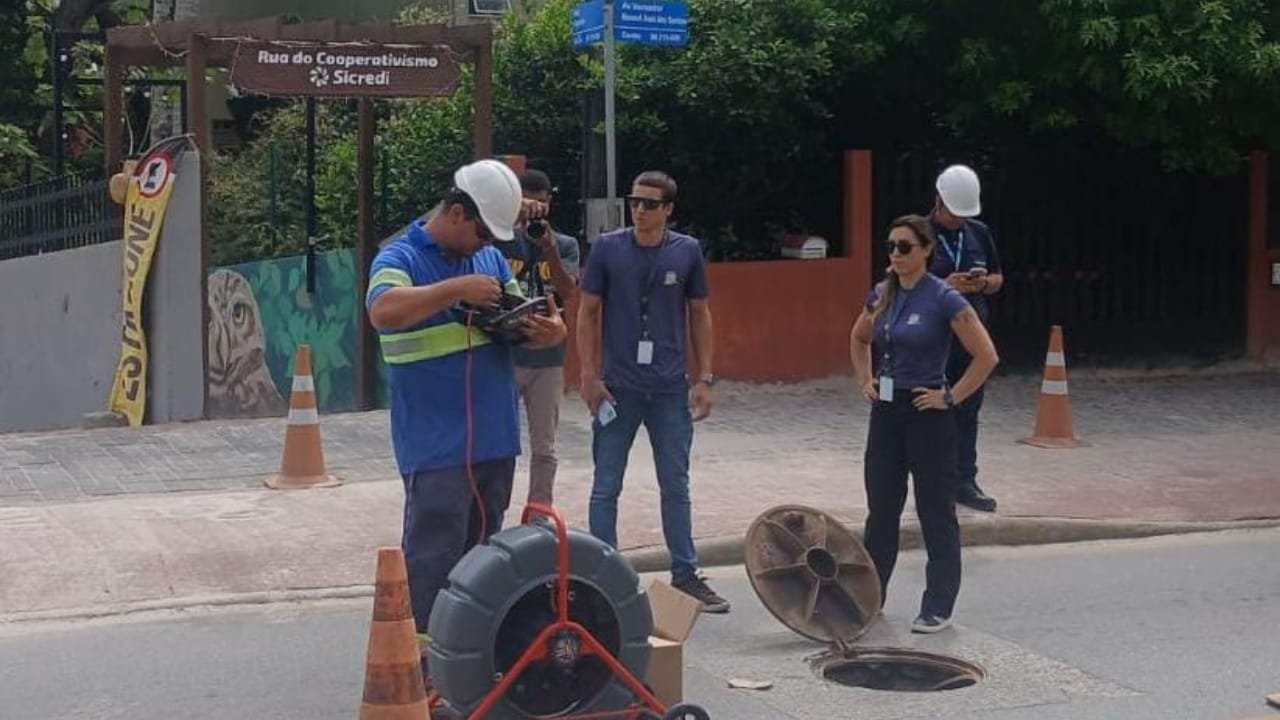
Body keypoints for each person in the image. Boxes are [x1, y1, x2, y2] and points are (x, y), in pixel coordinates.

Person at [364, 159, 567, 640]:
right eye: (481, 231)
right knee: (433, 555)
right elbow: (383, 311)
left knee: (483, 560)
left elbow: (521, 317)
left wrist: (547, 332)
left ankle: (470, 656)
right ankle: (423, 664)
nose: (486, 244)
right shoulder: (400, 259)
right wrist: (456, 289)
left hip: (494, 439)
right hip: (435, 445)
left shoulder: (491, 261)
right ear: (456, 212)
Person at [576, 170, 730, 614]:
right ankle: (604, 573)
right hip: (618, 386)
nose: (638, 210)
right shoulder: (608, 248)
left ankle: (685, 574)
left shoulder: (686, 251)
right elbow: (587, 313)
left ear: (667, 209)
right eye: (634, 201)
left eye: (647, 203)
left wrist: (705, 377)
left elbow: (700, 313)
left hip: (668, 387)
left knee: (675, 484)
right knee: (606, 484)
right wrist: (588, 374)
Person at [849, 214, 999, 633]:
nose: (896, 254)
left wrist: (951, 396)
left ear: (927, 251)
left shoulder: (944, 298)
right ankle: (871, 596)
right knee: (881, 509)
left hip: (927, 411)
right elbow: (859, 337)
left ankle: (937, 604)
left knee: (935, 510)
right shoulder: (882, 293)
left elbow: (986, 355)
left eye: (905, 247)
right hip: (887, 411)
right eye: (891, 246)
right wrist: (865, 378)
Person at [491, 169, 580, 506]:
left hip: (547, 361)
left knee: (545, 447)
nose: (534, 213)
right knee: (499, 443)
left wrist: (550, 249)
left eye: (540, 205)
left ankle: (540, 513)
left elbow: (569, 291)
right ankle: (495, 508)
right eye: (527, 205)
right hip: (505, 356)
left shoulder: (564, 243)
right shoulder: (497, 241)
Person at [929, 164, 1005, 512]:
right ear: (938, 202)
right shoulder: (916, 234)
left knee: (968, 407)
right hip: (932, 337)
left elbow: (998, 277)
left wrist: (982, 283)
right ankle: (933, 479)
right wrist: (945, 286)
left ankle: (965, 479)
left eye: (964, 215)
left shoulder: (979, 232)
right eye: (953, 214)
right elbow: (900, 281)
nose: (959, 221)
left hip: (971, 335)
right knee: (931, 410)